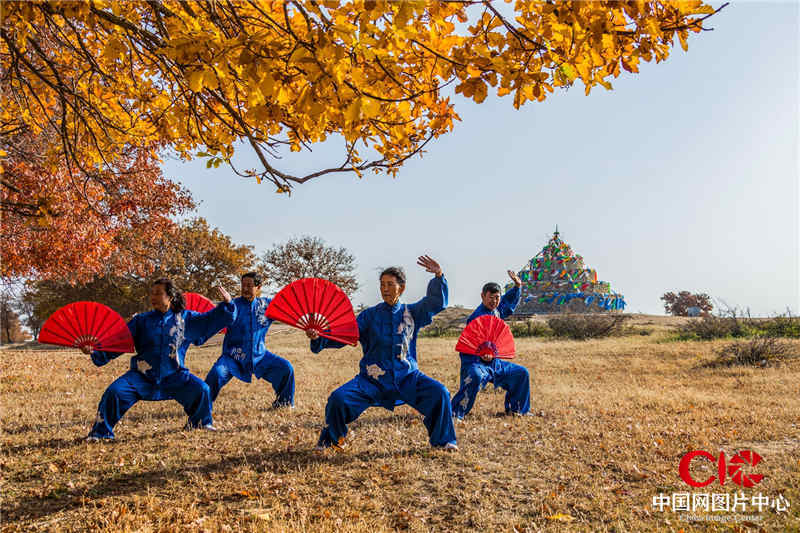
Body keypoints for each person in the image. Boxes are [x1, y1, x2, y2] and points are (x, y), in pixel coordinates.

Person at [307, 256, 458, 451]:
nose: (384, 288)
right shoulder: (369, 315)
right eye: (382, 284)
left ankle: (443, 441)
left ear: (401, 288)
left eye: (389, 284)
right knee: (338, 399)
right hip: (372, 379)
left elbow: (434, 303)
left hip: (408, 377)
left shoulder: (412, 312)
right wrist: (318, 337)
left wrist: (439, 276)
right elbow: (346, 333)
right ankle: (331, 441)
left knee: (440, 393)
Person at [83, 279, 236, 440]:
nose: (153, 297)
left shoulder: (186, 319)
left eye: (158, 293)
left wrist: (227, 306)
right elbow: (119, 340)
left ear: (170, 296)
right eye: (152, 293)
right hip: (141, 376)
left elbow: (209, 319)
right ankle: (100, 434)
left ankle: (200, 423)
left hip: (175, 375)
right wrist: (96, 350)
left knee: (202, 389)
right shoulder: (141, 320)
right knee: (114, 392)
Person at [204, 272, 294, 413]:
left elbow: (289, 312)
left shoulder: (267, 305)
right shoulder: (233, 305)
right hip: (233, 356)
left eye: (249, 286)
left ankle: (283, 403)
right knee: (216, 374)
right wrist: (227, 304)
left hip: (260, 355)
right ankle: (202, 409)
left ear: (258, 287)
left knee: (286, 368)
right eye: (243, 285)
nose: (245, 288)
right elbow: (226, 316)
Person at [450, 270, 532, 420]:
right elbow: (468, 345)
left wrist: (517, 287)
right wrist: (481, 355)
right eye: (491, 298)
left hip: (495, 362)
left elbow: (508, 301)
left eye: (497, 298)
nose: (494, 301)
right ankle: (455, 413)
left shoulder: (497, 310)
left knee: (521, 373)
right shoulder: (476, 317)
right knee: (474, 376)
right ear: (482, 296)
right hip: (476, 363)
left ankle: (517, 409)